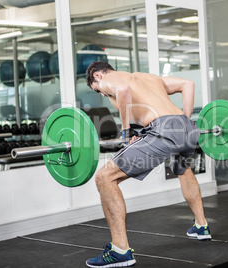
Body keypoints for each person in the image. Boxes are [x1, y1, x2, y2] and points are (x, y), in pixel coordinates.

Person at [85, 61, 211, 267]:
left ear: (97, 76)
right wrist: (184, 121)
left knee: (104, 177)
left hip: (163, 130)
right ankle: (201, 225)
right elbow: (188, 84)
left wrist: (125, 133)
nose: (101, 93)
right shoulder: (150, 78)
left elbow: (122, 89)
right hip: (186, 128)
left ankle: (120, 250)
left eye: (97, 89)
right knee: (184, 170)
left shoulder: (109, 80)